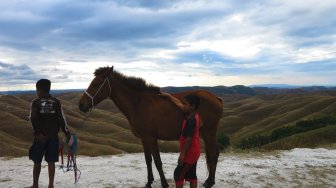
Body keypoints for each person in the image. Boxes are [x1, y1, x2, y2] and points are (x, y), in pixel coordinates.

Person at [26, 79, 71, 188]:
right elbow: (61, 119)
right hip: (53, 137)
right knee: (51, 162)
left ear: (39, 89)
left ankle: (35, 185)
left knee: (37, 162)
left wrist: (38, 133)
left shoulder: (35, 102)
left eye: (37, 89)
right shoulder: (56, 101)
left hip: (40, 137)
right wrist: (66, 132)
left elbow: (33, 118)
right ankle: (51, 185)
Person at [160, 92, 201, 188]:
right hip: (194, 151)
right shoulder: (192, 113)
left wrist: (183, 154)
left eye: (186, 104)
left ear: (193, 106)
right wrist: (169, 96)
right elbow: (179, 104)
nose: (184, 106)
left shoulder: (192, 120)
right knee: (191, 175)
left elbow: (189, 138)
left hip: (190, 152)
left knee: (178, 175)